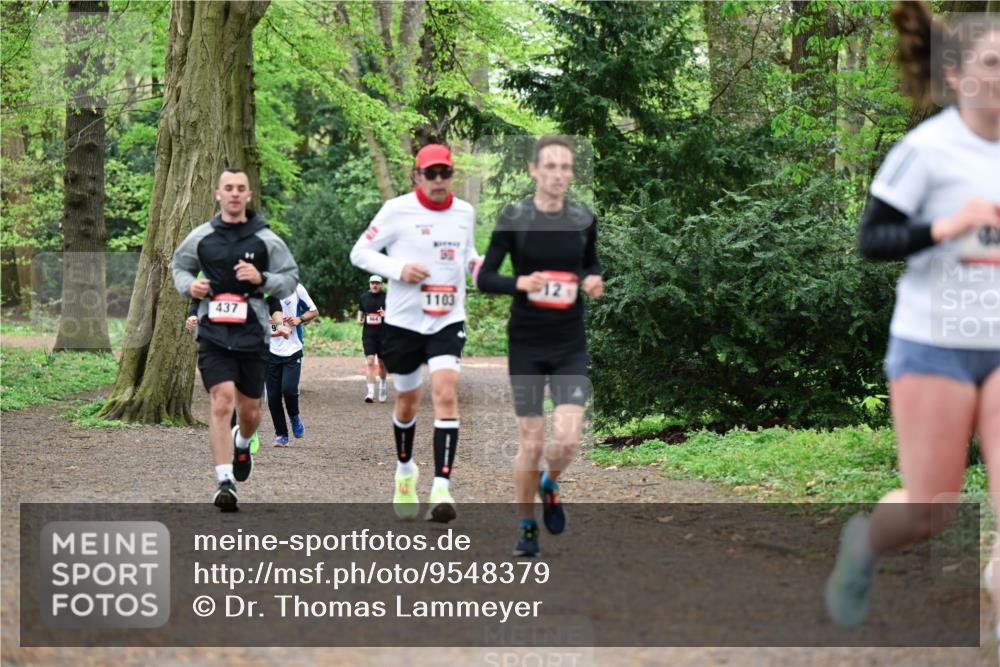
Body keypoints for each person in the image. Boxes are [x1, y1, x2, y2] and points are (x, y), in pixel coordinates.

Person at [824, 1, 1000, 637]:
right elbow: (873, 240)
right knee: (931, 509)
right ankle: (864, 546)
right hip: (935, 344)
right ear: (954, 74)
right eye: (993, 62)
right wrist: (945, 226)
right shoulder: (926, 150)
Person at [476, 136, 603, 557]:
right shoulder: (514, 218)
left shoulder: (584, 220)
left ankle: (550, 482)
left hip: (569, 343)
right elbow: (485, 277)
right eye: (550, 167)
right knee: (531, 440)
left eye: (566, 168)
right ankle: (527, 524)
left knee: (566, 440)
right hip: (527, 343)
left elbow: (590, 262)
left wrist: (591, 279)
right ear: (534, 170)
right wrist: (521, 283)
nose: (559, 175)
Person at [349, 144, 480, 523]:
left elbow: (467, 254)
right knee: (407, 400)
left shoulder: (464, 212)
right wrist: (399, 269)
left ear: (452, 174)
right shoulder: (397, 210)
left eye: (445, 173)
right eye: (431, 173)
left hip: (447, 319)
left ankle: (442, 486)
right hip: (404, 324)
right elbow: (360, 253)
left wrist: (479, 267)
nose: (439, 180)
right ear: (417, 176)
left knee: (445, 392)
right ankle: (405, 471)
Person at [171, 168, 298, 511]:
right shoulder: (202, 237)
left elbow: (289, 279)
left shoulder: (265, 239)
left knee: (250, 412)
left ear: (248, 195)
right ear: (218, 194)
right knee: (221, 402)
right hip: (213, 332)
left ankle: (243, 441)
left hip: (252, 335)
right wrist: (190, 286)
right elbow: (179, 266)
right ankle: (225, 481)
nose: (234, 193)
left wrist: (262, 278)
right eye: (228, 188)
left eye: (241, 188)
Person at [267, 283, 318, 447]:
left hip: (293, 349)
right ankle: (281, 434)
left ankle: (294, 417)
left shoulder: (296, 288)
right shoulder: (262, 288)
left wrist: (299, 319)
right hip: (269, 350)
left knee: (288, 389)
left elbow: (314, 311)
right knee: (273, 396)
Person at [358, 275, 389, 403]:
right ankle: (370, 392)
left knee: (382, 363)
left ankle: (382, 384)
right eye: (372, 283)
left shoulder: (387, 297)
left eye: (377, 283)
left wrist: (385, 314)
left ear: (381, 285)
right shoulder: (364, 297)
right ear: (369, 284)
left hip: (383, 335)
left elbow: (394, 314)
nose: (375, 285)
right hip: (368, 334)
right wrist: (359, 319)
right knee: (370, 361)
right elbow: (361, 310)